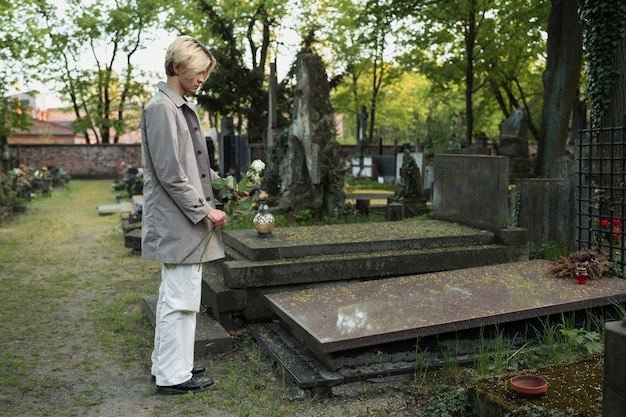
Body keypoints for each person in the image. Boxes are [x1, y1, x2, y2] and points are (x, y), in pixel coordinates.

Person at [140, 35, 228, 395]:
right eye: (198, 73)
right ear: (177, 68)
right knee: (180, 299)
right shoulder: (162, 108)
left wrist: (223, 187)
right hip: (180, 220)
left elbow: (189, 168)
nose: (201, 80)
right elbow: (170, 173)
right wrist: (204, 209)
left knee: (177, 297)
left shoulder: (175, 106)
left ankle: (170, 366)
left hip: (183, 220)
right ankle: (174, 377)